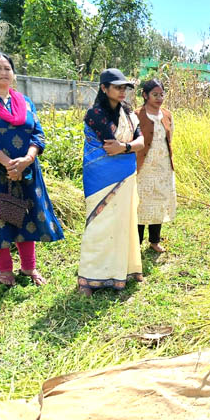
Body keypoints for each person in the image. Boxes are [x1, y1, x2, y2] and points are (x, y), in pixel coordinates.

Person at [0, 51, 64, 286]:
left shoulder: (24, 101)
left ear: (13, 72)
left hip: (26, 171)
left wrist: (26, 160)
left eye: (7, 68)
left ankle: (29, 268)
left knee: (25, 215)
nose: (3, 72)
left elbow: (38, 133)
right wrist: (9, 164)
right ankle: (5, 270)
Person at [77, 68, 145, 296]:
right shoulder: (95, 114)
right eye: (117, 87)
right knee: (99, 227)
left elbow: (139, 142)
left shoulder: (129, 113)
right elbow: (109, 146)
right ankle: (88, 279)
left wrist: (126, 148)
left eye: (124, 87)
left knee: (123, 224)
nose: (122, 91)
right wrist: (128, 147)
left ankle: (122, 273)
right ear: (104, 88)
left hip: (126, 175)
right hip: (101, 178)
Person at [135, 79, 176, 253]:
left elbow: (170, 136)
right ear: (145, 95)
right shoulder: (137, 115)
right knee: (141, 204)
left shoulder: (167, 114)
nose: (159, 98)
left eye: (162, 94)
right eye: (155, 94)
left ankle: (154, 241)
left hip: (163, 166)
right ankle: (135, 243)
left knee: (159, 202)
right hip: (143, 168)